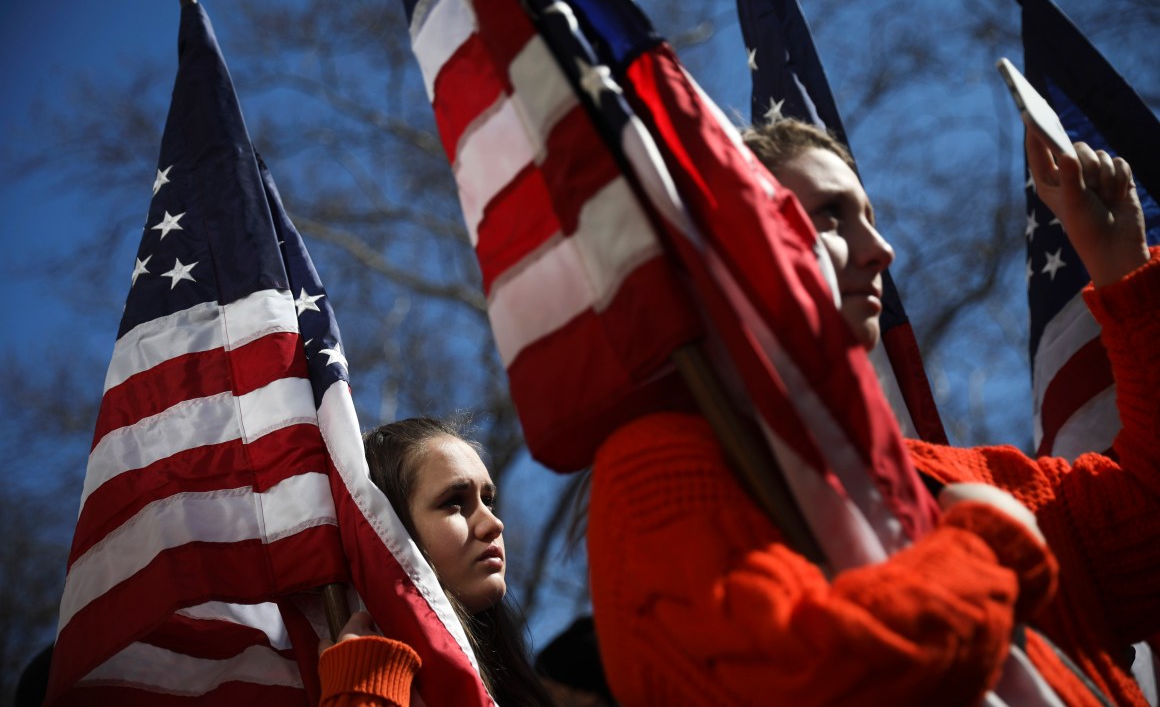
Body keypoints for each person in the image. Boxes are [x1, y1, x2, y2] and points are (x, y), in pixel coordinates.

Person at [586, 118, 1160, 705]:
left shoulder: (972, 479)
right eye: (829, 215)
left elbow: (1150, 523)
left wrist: (1124, 269)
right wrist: (989, 551)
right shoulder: (659, 462)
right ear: (732, 240)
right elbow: (798, 676)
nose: (881, 251)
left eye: (870, 218)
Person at [318, 416, 554, 707]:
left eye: (488, 500)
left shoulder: (521, 688)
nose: (494, 523)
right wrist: (364, 691)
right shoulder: (354, 674)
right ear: (385, 531)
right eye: (454, 502)